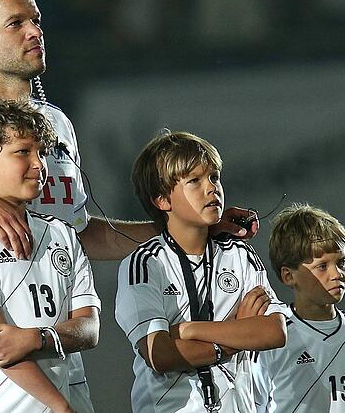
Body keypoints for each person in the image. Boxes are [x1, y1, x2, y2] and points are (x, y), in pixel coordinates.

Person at [0, 0, 254, 412]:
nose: (35, 32)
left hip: (60, 372)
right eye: (15, 24)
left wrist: (186, 228)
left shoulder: (56, 125)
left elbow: (81, 234)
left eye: (36, 20)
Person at [0, 98, 99, 411]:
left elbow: (89, 329)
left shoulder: (61, 232)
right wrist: (61, 406)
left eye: (41, 152)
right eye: (23, 152)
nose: (39, 164)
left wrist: (37, 338)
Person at [115, 130, 287, 412]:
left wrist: (188, 330)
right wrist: (232, 340)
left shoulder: (239, 255)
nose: (212, 188)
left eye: (214, 177)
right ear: (162, 200)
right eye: (194, 181)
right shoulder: (145, 263)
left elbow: (273, 331)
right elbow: (159, 353)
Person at [251, 203, 345, 412]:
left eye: (341, 262)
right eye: (322, 266)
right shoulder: (271, 339)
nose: (336, 273)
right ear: (288, 275)